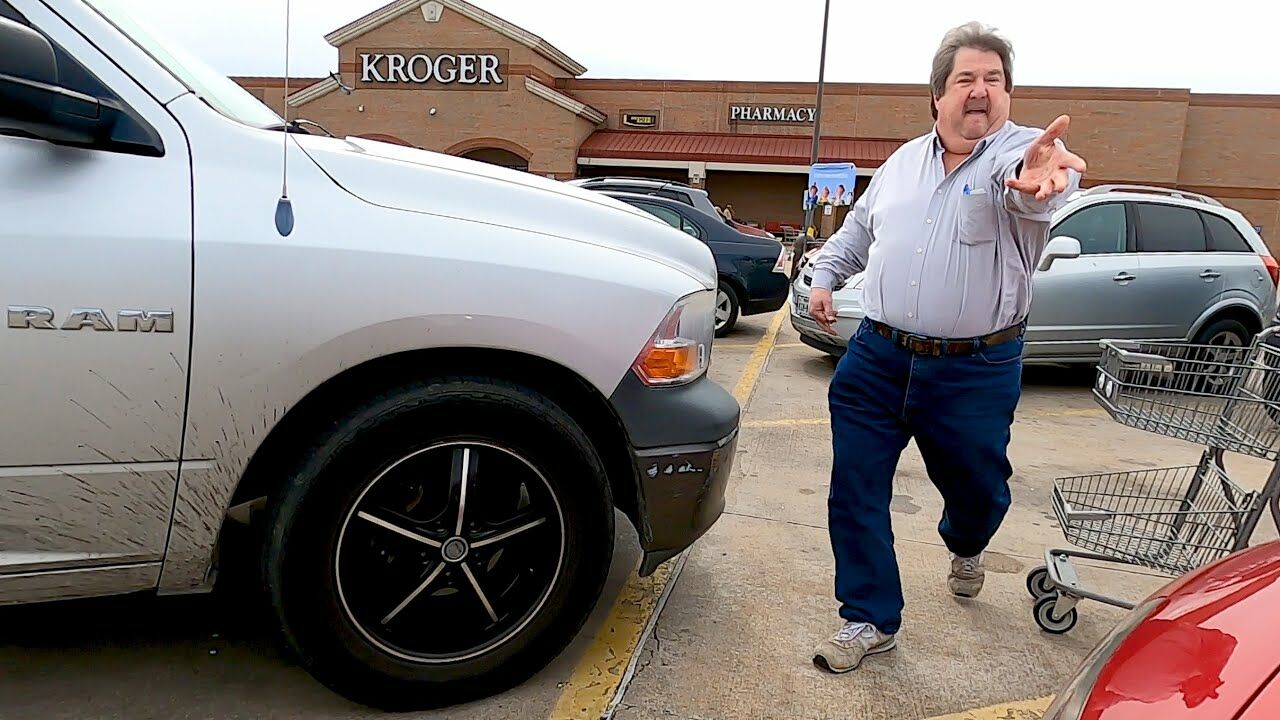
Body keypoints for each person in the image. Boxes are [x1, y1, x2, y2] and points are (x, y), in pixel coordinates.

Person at [807, 20, 1087, 674]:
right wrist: (824, 277)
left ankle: (968, 540)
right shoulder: (902, 165)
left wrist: (1042, 175)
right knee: (855, 484)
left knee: (978, 487)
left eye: (994, 79)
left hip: (975, 372)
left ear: (1008, 96)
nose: (981, 91)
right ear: (938, 96)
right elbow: (857, 233)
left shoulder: (1016, 155)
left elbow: (1035, 185)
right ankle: (869, 617)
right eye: (967, 78)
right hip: (877, 357)